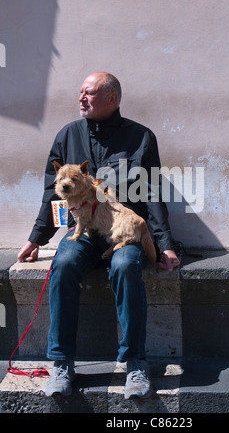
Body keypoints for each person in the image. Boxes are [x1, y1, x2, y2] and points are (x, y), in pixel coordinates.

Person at [17, 72, 180, 399]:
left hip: (123, 232)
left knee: (124, 267)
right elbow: (56, 194)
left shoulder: (141, 138)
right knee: (63, 264)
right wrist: (38, 238)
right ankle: (61, 362)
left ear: (112, 98)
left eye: (89, 93)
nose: (81, 98)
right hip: (84, 232)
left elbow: (152, 194)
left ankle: (135, 362)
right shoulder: (67, 136)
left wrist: (165, 245)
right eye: (81, 92)